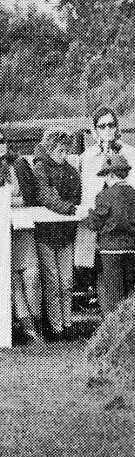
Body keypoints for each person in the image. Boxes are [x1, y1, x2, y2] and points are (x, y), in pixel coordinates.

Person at [75, 108, 135, 277]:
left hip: (125, 229)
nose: (107, 130)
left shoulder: (131, 154)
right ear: (95, 130)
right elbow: (88, 192)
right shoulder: (88, 157)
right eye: (102, 126)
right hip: (99, 224)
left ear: (117, 128)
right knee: (99, 274)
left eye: (111, 125)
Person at [86, 151, 135, 317]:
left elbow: (95, 223)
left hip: (109, 250)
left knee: (113, 293)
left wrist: (89, 215)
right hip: (130, 249)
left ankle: (114, 329)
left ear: (111, 174)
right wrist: (133, 239)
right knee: (129, 290)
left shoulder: (104, 196)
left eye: (106, 176)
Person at [32, 130, 81, 341]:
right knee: (52, 279)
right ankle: (56, 326)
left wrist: (68, 205)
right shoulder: (40, 168)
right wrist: (68, 207)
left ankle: (68, 323)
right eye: (60, 150)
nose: (64, 153)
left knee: (67, 280)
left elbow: (77, 191)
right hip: (46, 234)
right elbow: (45, 196)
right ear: (50, 148)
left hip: (65, 233)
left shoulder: (70, 170)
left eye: (66, 150)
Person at [1, 130, 44, 344]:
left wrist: (15, 202)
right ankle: (29, 331)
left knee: (31, 275)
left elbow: (31, 196)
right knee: (13, 280)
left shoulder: (17, 164)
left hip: (22, 228)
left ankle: (37, 323)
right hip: (2, 231)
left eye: (1, 140)